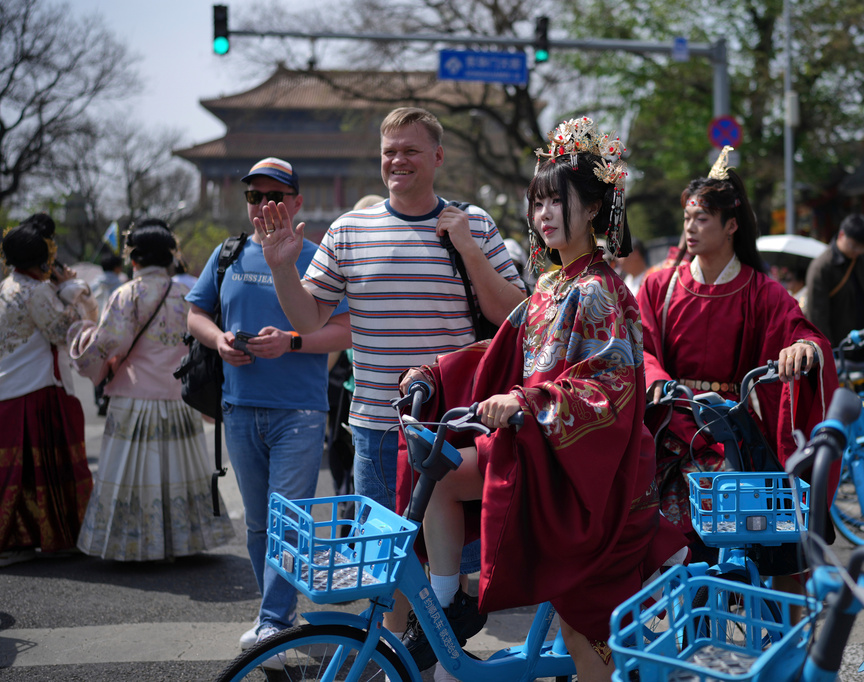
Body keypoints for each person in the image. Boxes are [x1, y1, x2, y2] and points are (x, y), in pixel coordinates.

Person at [397, 117, 672, 680]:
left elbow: (610, 385)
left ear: (593, 209)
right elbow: (498, 349)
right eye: (538, 202)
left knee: (586, 635)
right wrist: (435, 369)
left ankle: (447, 609)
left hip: (589, 467)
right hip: (545, 447)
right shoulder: (551, 284)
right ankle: (447, 605)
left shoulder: (595, 288)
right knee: (435, 461)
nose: (543, 215)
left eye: (557, 202)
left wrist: (529, 402)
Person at [256, 108, 526, 640]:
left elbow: (515, 314)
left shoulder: (473, 224)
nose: (397, 160)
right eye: (389, 151)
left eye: (410, 150)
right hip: (378, 427)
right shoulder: (349, 230)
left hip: (452, 428)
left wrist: (469, 248)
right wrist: (281, 267)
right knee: (390, 568)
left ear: (437, 158)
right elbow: (308, 319)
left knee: (455, 563)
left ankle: (443, 654)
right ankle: (397, 661)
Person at [638, 147, 839, 570]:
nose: (690, 228)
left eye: (702, 219)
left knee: (773, 525)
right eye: (688, 218)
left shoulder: (761, 290)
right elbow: (639, 345)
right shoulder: (660, 285)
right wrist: (654, 375)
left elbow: (799, 328)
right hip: (671, 417)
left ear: (731, 225)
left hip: (732, 422)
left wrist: (803, 347)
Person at [185, 157, 351, 657]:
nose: (263, 205)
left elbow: (345, 330)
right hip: (238, 407)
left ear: (297, 202)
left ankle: (275, 619)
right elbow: (195, 313)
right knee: (258, 523)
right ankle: (275, 614)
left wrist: (294, 341)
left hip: (298, 412)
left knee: (287, 518)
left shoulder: (316, 256)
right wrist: (219, 342)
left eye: (274, 196)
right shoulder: (228, 252)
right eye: (255, 196)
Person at [68, 220, 236, 561]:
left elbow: (108, 343)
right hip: (177, 395)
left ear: (134, 259)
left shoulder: (126, 295)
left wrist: (83, 339)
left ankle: (135, 543)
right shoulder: (185, 295)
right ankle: (183, 541)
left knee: (132, 473)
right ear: (169, 258)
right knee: (180, 471)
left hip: (134, 396)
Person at [0, 213, 97, 567]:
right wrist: (73, 293)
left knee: (15, 474)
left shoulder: (7, 286)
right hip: (37, 387)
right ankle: (55, 535)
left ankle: (14, 540)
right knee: (47, 470)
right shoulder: (37, 290)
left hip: (10, 386)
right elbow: (61, 330)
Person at [804, 214, 864, 362]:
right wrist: (827, 351)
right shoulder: (822, 267)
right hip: (838, 347)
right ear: (841, 235)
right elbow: (817, 314)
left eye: (861, 248)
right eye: (853, 246)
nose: (856, 251)